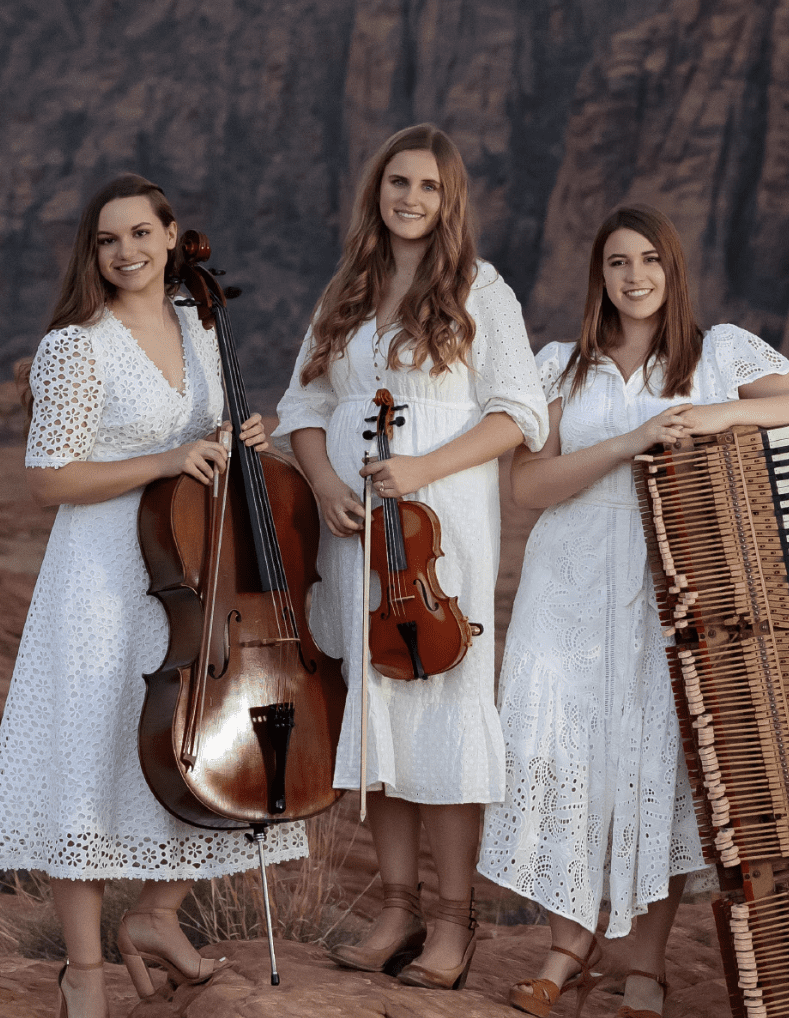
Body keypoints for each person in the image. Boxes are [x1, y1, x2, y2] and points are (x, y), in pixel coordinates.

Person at [477, 204, 789, 1018]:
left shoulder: (717, 354)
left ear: (673, 270)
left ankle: (641, 966)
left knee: (659, 763)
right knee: (562, 754)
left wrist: (723, 413)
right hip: (568, 580)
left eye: (650, 260)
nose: (635, 276)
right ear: (598, 276)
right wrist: (625, 443)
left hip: (676, 582)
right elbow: (529, 486)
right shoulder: (561, 368)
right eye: (617, 262)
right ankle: (565, 952)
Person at [0, 174, 304, 1018]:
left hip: (191, 570)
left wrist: (242, 439)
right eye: (109, 239)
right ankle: (82, 973)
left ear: (170, 234)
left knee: (189, 744)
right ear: (95, 250)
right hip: (98, 574)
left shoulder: (201, 323)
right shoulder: (77, 345)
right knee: (87, 758)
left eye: (141, 235)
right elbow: (50, 479)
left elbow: (212, 439)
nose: (127, 252)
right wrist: (167, 458)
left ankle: (156, 919)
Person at [274, 124, 548, 990]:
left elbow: (518, 413)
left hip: (440, 531)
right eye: (398, 182)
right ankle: (397, 908)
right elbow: (303, 404)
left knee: (446, 709)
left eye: (429, 187)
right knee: (379, 720)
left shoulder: (481, 291)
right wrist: (322, 485)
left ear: (449, 198)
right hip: (355, 530)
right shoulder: (347, 289)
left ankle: (455, 924)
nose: (411, 199)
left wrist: (422, 470)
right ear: (377, 189)